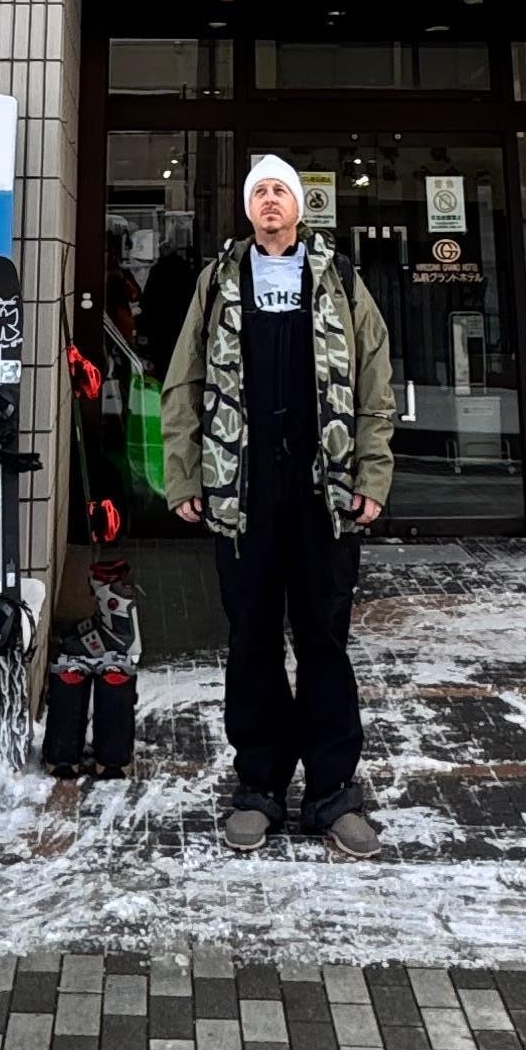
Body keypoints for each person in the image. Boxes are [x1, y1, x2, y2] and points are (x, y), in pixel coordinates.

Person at [161, 152, 394, 855]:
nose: (269, 200)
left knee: (324, 640)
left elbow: (375, 382)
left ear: (298, 207)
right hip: (243, 491)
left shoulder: (339, 278)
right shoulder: (218, 281)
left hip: (325, 492)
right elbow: (184, 383)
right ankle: (258, 786)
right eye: (259, 191)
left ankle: (332, 792)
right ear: (247, 208)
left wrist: (372, 475)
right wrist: (185, 478)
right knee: (252, 640)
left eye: (280, 191)